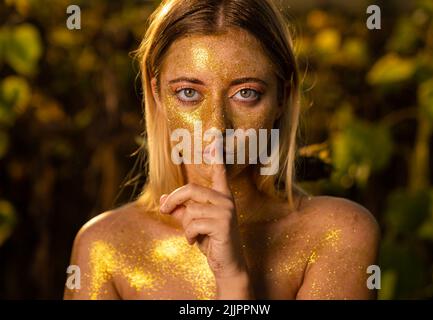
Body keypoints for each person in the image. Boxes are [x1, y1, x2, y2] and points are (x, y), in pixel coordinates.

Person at [64, 0, 379, 300]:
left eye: (245, 93)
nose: (216, 127)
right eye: (188, 93)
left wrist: (232, 278)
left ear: (282, 97)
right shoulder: (105, 245)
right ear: (156, 93)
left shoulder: (338, 233)